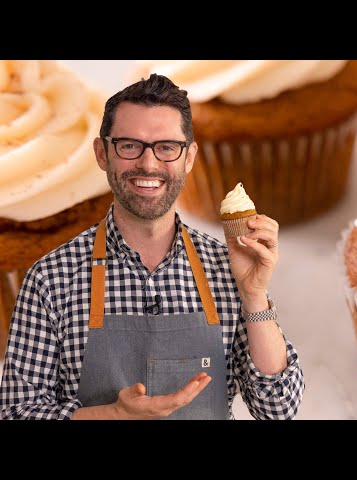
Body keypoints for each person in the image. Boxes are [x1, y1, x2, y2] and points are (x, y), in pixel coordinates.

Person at [0, 74, 304, 420]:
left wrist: (254, 295)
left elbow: (278, 408)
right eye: (129, 145)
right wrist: (113, 415)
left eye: (166, 147)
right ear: (102, 153)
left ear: (189, 158)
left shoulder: (226, 269)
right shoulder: (51, 279)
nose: (148, 164)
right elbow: (15, 413)